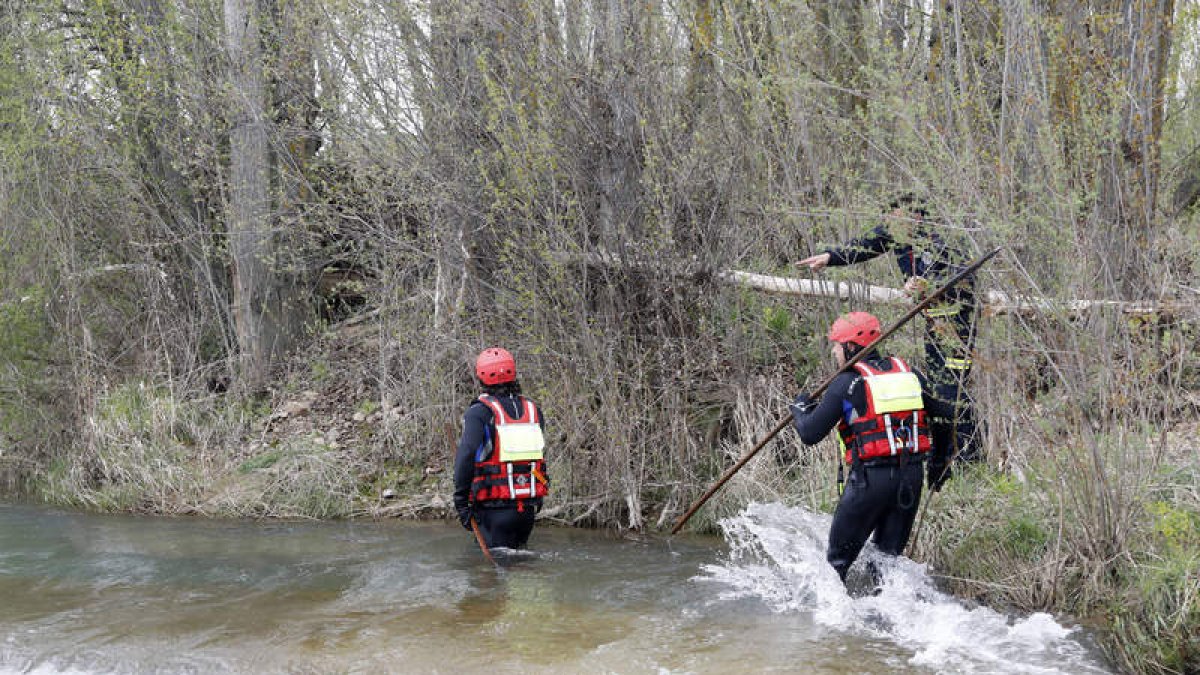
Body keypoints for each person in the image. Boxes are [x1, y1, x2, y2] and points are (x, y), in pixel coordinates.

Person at [797, 193, 982, 463]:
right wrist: (830, 257)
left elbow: (963, 275)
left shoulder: (942, 240)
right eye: (888, 220)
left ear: (916, 217)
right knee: (937, 389)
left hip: (956, 327)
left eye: (895, 219)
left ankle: (971, 458)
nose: (890, 226)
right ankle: (952, 455)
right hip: (933, 325)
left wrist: (928, 284)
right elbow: (864, 245)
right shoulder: (895, 233)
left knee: (951, 392)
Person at [790, 312, 954, 585]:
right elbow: (944, 416)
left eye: (837, 344)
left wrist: (799, 410)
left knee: (835, 567)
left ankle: (835, 626)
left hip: (870, 482)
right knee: (885, 566)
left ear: (852, 347)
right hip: (910, 478)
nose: (833, 351)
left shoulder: (846, 383)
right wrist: (939, 464)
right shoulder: (910, 374)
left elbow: (809, 433)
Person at [453, 347, 549, 550]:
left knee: (490, 575)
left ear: (481, 377)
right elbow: (539, 457)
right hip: (527, 510)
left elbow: (467, 455)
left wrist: (461, 502)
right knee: (521, 571)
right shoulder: (533, 411)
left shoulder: (479, 413)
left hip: (493, 511)